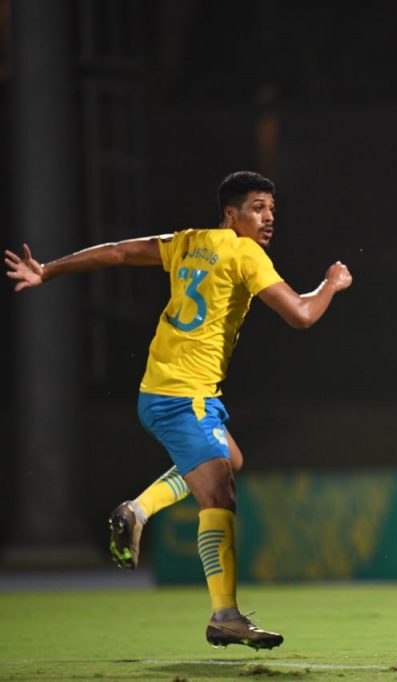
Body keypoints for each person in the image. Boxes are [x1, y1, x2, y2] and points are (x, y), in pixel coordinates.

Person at [4, 171, 352, 649]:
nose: (268, 217)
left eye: (271, 208)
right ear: (231, 214)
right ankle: (225, 615)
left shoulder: (189, 242)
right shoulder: (245, 252)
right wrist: (332, 283)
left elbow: (119, 251)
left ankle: (138, 510)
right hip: (184, 396)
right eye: (257, 207)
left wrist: (48, 269)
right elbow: (302, 315)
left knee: (230, 460)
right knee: (220, 497)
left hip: (162, 389)